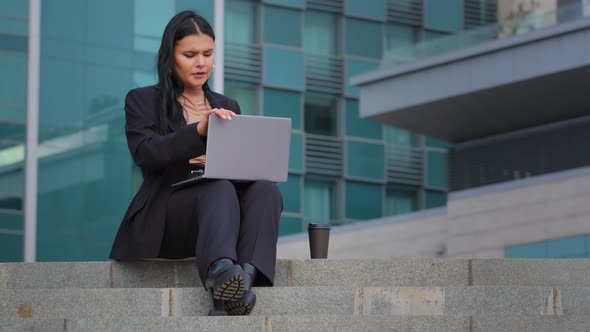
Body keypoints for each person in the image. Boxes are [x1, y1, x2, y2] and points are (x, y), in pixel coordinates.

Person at [109, 10, 283, 316]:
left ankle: (240, 279)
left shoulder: (228, 106)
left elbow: (238, 168)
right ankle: (221, 273)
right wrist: (198, 132)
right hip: (169, 217)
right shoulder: (141, 100)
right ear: (170, 57)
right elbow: (145, 153)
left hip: (222, 218)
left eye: (207, 53)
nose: (201, 63)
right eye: (190, 54)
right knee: (217, 187)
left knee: (266, 190)